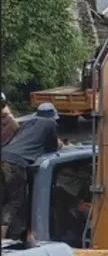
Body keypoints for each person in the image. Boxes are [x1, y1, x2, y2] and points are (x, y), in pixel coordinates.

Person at [0, 102, 61, 244]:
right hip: (16, 163)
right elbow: (52, 147)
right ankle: (2, 236)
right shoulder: (50, 124)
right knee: (15, 201)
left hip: (3, 156)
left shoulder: (28, 123)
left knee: (3, 198)